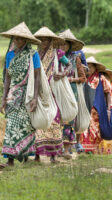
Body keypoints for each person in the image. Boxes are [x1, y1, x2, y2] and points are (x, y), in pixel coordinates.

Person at [0, 22, 42, 168]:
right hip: (13, 94)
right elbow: (7, 78)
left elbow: (37, 77)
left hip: (27, 94)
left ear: (26, 40)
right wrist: (4, 98)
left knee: (26, 125)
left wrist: (35, 97)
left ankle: (25, 155)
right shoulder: (10, 55)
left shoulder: (33, 55)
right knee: (11, 124)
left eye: (20, 39)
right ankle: (10, 160)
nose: (17, 41)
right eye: (15, 39)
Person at [33, 26, 68, 164]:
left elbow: (69, 64)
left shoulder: (57, 53)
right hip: (37, 91)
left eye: (45, 40)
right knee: (37, 120)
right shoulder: (35, 54)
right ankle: (36, 154)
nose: (43, 42)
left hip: (52, 92)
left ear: (50, 40)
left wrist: (62, 74)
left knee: (54, 119)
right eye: (40, 40)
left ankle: (53, 155)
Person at [59, 29, 87, 159]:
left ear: (70, 45)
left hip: (72, 90)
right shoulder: (56, 57)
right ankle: (56, 148)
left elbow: (83, 78)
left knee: (68, 120)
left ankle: (66, 149)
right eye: (61, 44)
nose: (63, 47)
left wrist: (71, 79)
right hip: (59, 90)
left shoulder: (76, 58)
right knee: (57, 118)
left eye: (66, 44)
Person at [80, 56, 112, 154]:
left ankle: (93, 150)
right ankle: (86, 150)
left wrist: (109, 109)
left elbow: (108, 92)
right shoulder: (84, 79)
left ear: (95, 67)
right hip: (86, 109)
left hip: (98, 110)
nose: (89, 69)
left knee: (95, 130)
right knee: (85, 129)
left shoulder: (101, 78)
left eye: (91, 67)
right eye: (87, 67)